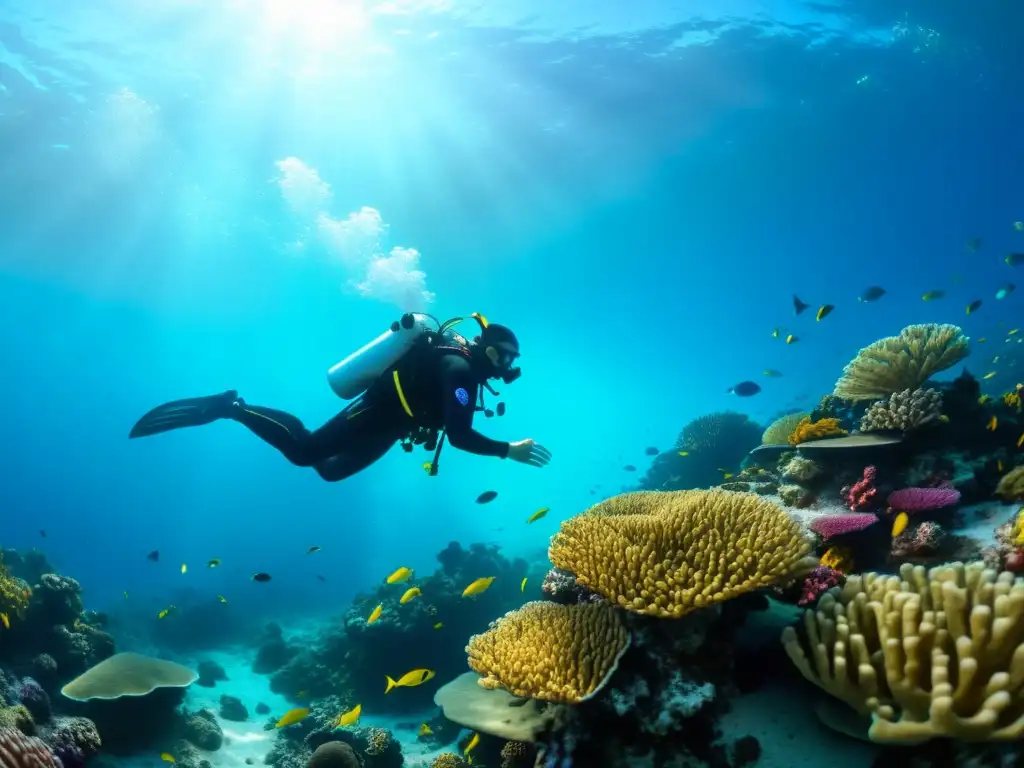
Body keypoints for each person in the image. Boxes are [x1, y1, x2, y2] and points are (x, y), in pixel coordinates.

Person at [128, 316, 551, 482]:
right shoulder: (460, 371)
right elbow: (458, 435)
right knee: (304, 451)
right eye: (501, 356)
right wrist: (507, 451)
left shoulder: (464, 369)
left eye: (512, 360)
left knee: (329, 471)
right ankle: (229, 407)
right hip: (379, 410)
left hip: (396, 423)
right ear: (485, 348)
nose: (504, 366)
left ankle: (236, 409)